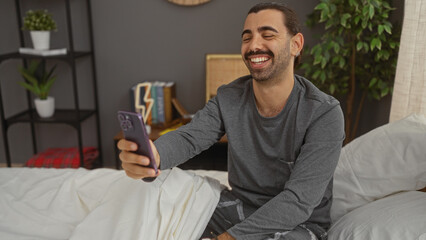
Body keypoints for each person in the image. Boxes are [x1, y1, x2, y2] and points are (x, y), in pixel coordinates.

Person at [117, 2, 345, 240]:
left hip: (298, 224)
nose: (254, 45)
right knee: (155, 194)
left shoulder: (324, 113)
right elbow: (190, 137)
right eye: (247, 38)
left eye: (267, 35)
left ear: (296, 44)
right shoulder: (228, 96)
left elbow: (298, 201)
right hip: (238, 207)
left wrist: (228, 238)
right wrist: (154, 156)